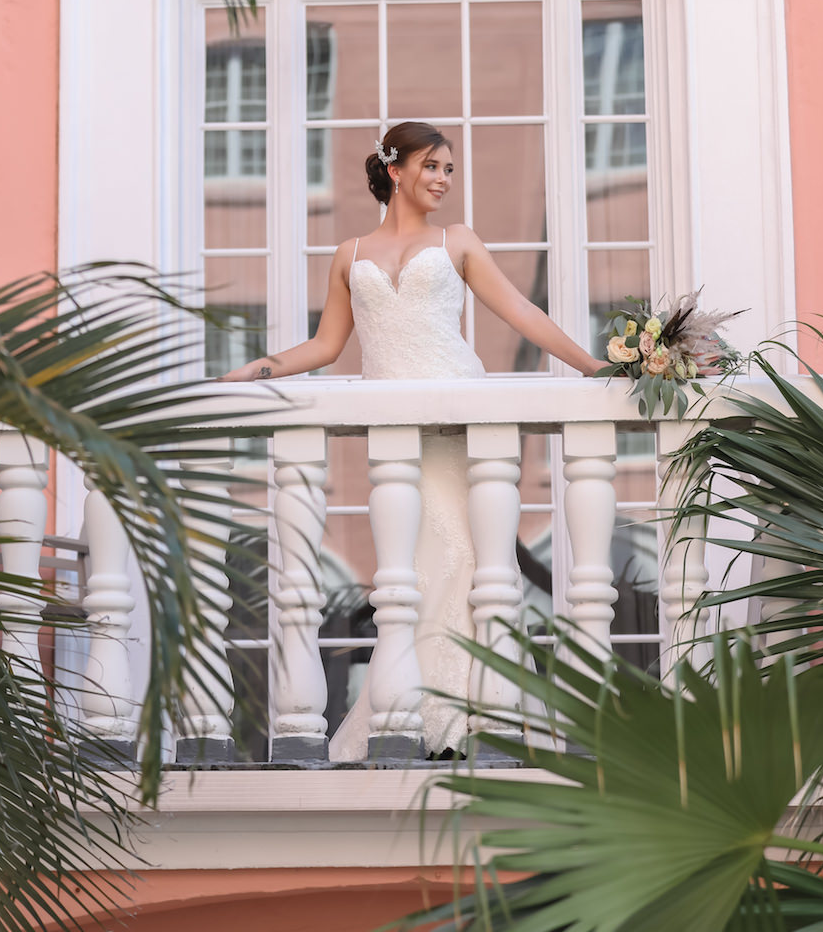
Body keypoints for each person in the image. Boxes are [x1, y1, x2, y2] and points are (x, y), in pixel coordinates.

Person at [221, 120, 605, 759]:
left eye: (450, 170)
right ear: (394, 169)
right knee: (415, 572)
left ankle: (466, 722)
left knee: (465, 560)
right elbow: (326, 346)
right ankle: (418, 720)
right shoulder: (350, 253)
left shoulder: (459, 241)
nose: (443, 180)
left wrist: (595, 368)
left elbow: (521, 313)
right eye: (432, 167)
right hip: (397, 434)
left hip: (458, 422)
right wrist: (257, 370)